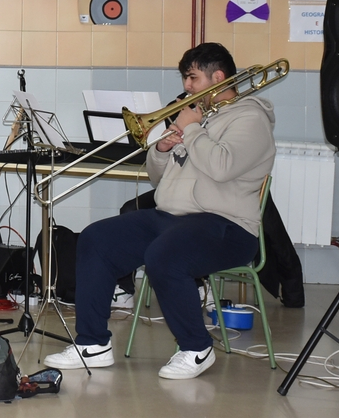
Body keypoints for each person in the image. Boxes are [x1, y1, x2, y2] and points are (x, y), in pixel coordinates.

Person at [44, 42, 276, 380]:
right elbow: (158, 178)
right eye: (186, 78)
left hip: (227, 226)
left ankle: (197, 348)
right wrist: (163, 149)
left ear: (219, 77)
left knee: (165, 255)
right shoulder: (201, 116)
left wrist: (193, 130)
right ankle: (93, 343)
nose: (187, 87)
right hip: (171, 218)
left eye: (192, 78)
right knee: (97, 238)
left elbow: (222, 166)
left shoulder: (251, 118)